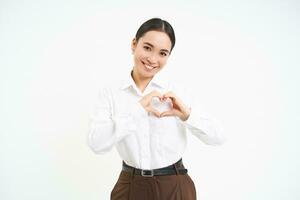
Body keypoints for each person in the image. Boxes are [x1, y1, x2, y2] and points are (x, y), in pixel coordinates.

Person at [87, 17, 226, 200]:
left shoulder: (178, 91)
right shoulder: (111, 93)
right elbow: (97, 144)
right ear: (134, 44)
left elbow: (218, 137)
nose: (153, 59)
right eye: (147, 48)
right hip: (130, 186)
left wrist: (187, 115)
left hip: (175, 185)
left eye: (162, 53)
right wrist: (137, 111)